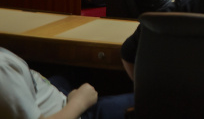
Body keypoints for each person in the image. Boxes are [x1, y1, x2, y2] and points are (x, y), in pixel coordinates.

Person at [0, 47, 134, 119]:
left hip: (46, 96)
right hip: (74, 113)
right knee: (149, 101)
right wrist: (79, 101)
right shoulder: (3, 69)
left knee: (74, 71)